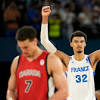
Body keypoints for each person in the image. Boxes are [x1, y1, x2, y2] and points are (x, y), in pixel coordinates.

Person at [41, 6, 100, 100]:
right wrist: (45, 18)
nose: (79, 44)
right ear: (71, 44)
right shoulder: (66, 60)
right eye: (76, 42)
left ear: (85, 44)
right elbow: (44, 41)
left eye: (81, 42)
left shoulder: (91, 59)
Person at [6, 26, 68, 100]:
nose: (23, 51)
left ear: (35, 41)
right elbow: (11, 90)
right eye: (20, 48)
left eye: (26, 47)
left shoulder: (50, 60)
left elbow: (64, 91)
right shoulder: (17, 61)